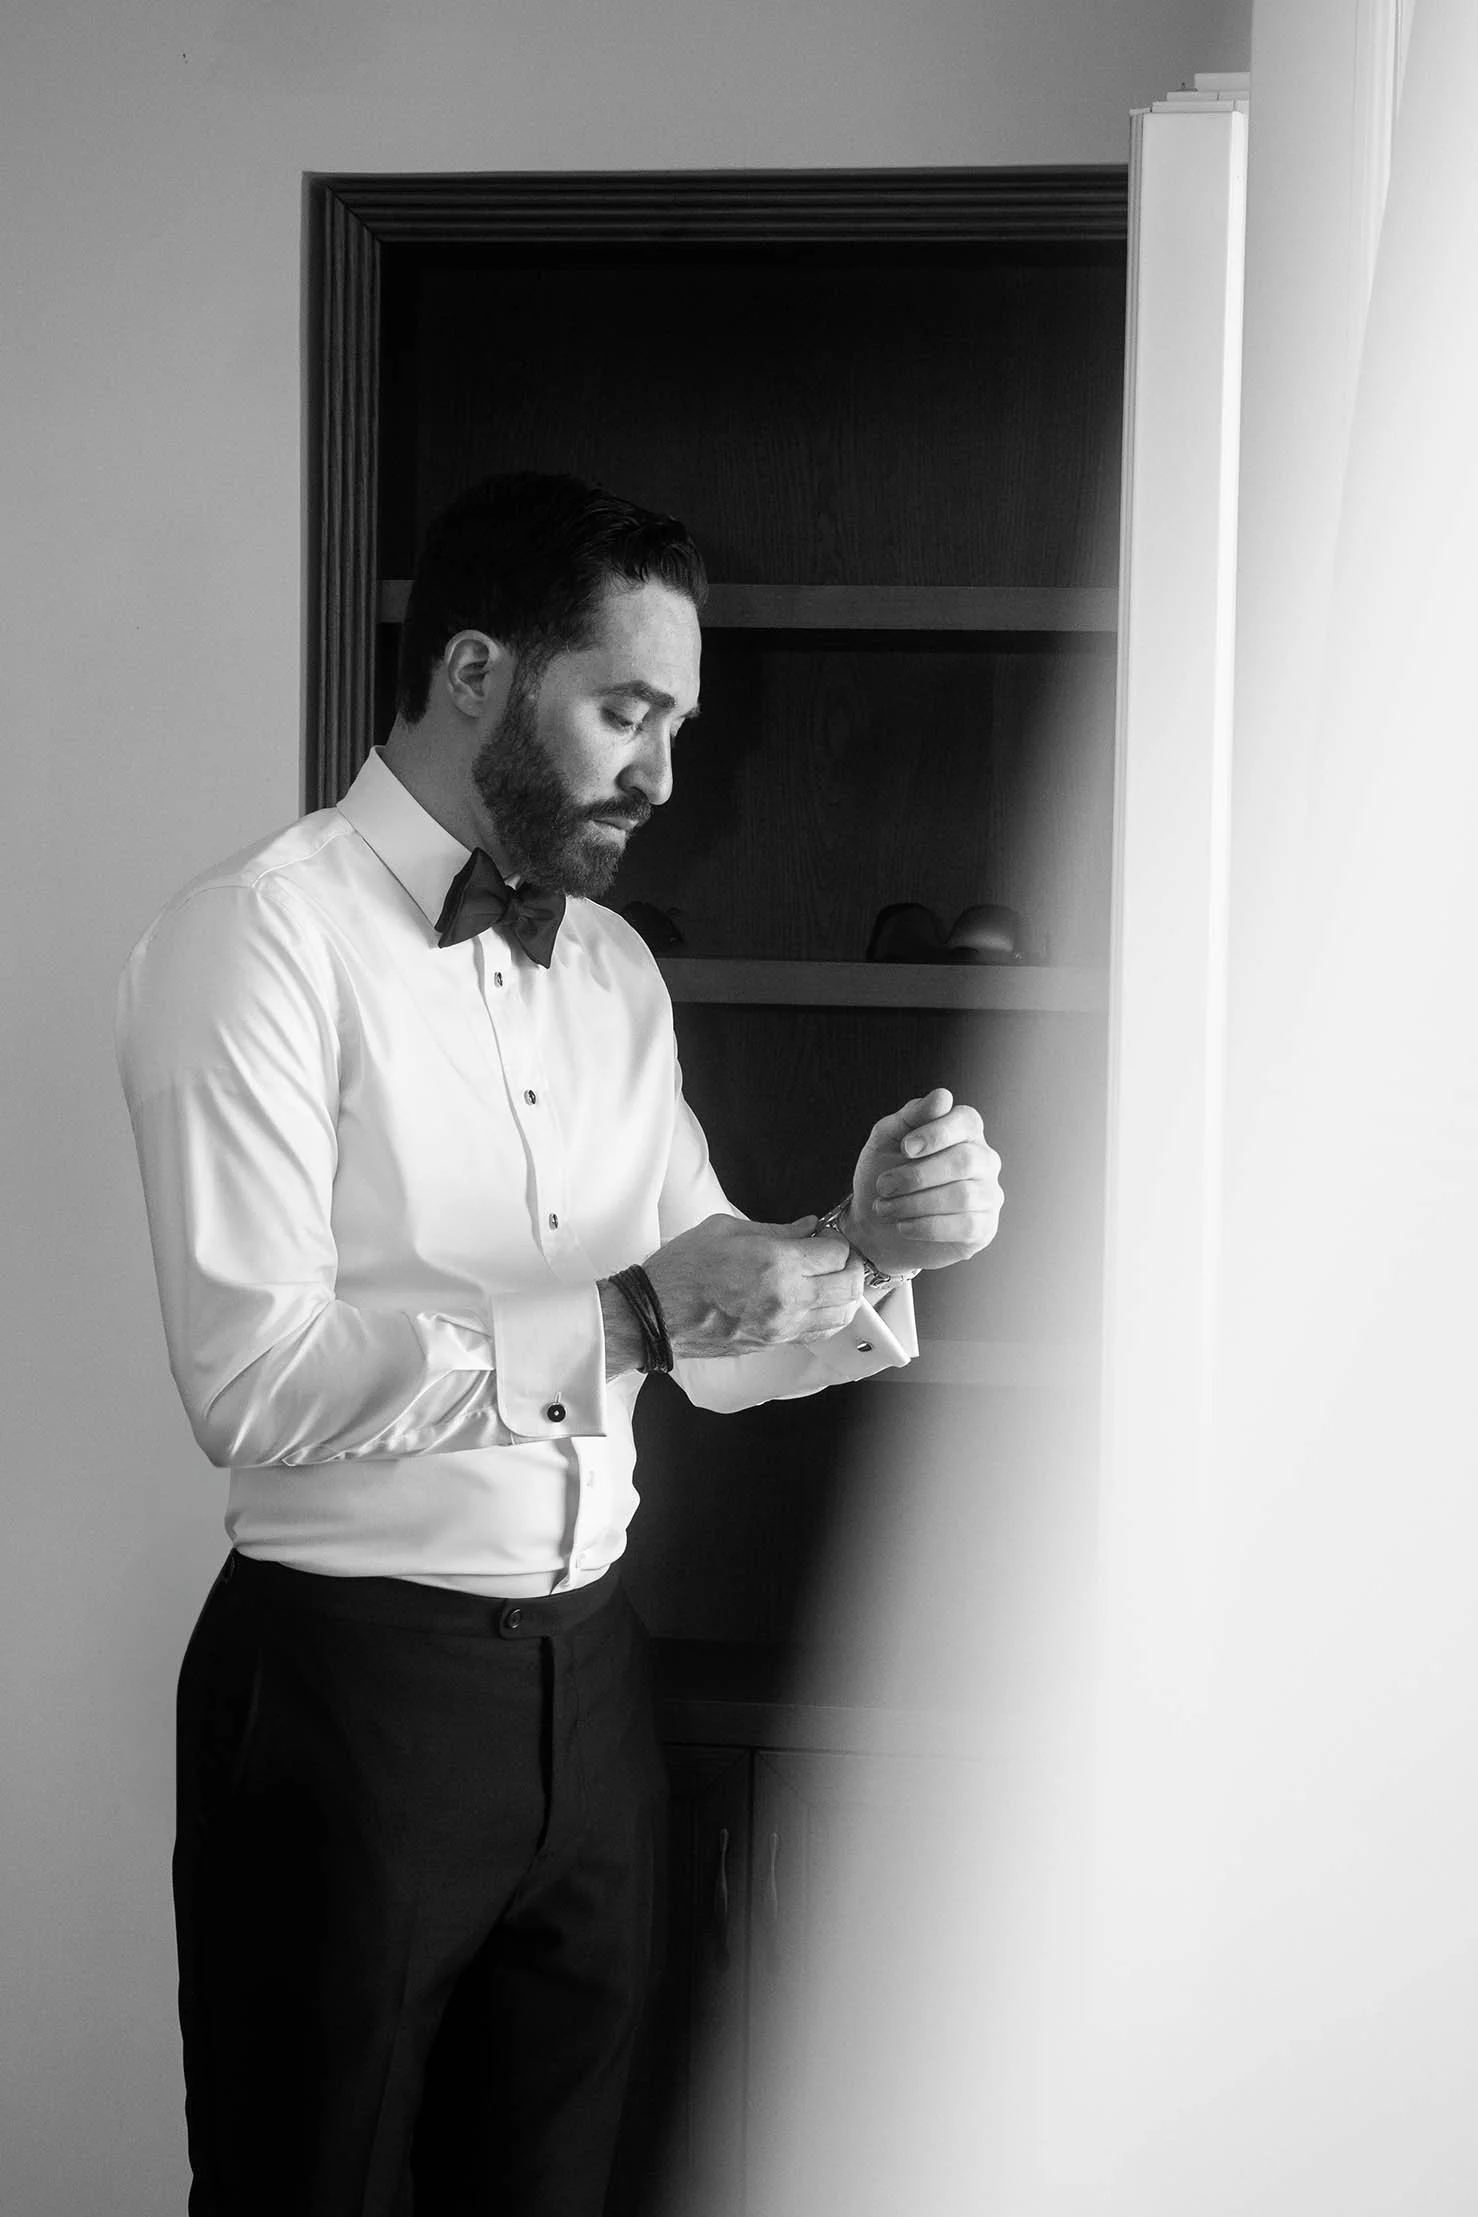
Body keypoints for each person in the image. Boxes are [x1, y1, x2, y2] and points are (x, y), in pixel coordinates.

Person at [116, 471, 1004, 2217]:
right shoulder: (255, 938)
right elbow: (249, 1379)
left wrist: (862, 1249)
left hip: (599, 1688)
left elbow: (704, 1319)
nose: (664, 774)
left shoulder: (610, 969)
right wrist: (623, 1317)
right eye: (626, 709)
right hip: (346, 1702)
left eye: (678, 721)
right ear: (472, 673)